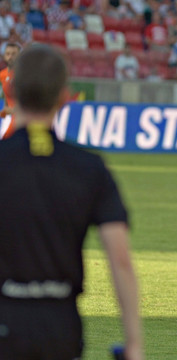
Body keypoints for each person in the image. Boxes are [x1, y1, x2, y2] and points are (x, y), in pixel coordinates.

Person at [0, 44, 143, 360]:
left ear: (12, 91)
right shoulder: (90, 168)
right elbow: (120, 261)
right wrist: (134, 344)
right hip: (61, 327)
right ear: (65, 96)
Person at [0, 42, 21, 140]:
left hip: (20, 122)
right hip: (8, 120)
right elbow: (5, 99)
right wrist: (5, 109)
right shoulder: (2, 75)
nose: (10, 57)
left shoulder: (24, 75)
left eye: (13, 54)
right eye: (8, 54)